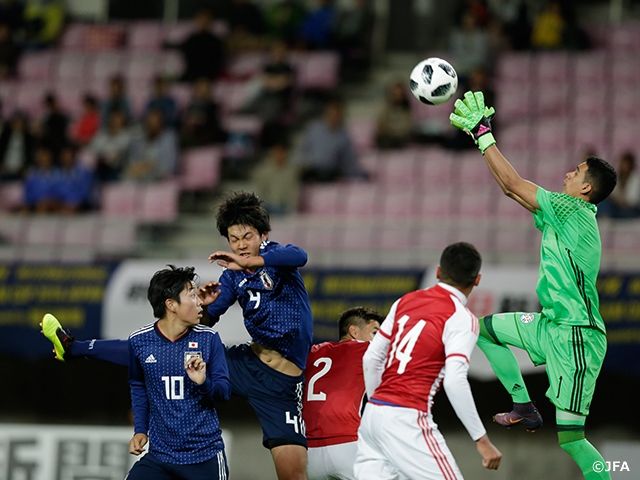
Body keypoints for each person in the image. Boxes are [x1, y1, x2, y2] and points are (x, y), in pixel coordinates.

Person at [41, 192, 313, 480]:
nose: (241, 244)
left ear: (263, 234)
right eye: (234, 239)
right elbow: (206, 320)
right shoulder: (232, 276)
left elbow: (300, 256)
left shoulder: (278, 258)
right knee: (163, 347)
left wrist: (251, 261)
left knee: (292, 474)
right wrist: (205, 305)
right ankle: (74, 347)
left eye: (247, 236)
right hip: (247, 362)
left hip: (281, 384)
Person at [449, 91, 617, 480]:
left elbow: (512, 182)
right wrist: (481, 141)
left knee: (572, 439)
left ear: (587, 188)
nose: (567, 174)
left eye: (576, 172)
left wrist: (482, 134)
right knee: (484, 329)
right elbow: (510, 189)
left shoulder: (573, 210)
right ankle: (523, 404)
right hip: (552, 325)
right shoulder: (564, 214)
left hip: (577, 335)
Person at [43, 265, 232, 479]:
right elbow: (138, 386)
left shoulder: (209, 339)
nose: (200, 301)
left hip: (203, 457)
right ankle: (73, 348)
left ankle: (73, 348)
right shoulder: (140, 341)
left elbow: (224, 392)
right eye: (192, 295)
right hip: (160, 458)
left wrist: (203, 382)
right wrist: (140, 430)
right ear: (171, 304)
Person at [353, 242, 502, 479]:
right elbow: (454, 380)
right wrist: (481, 439)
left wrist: (378, 403)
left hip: (373, 417)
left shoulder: (406, 301)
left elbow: (371, 357)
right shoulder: (461, 318)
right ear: (477, 280)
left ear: (439, 272)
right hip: (407, 416)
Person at [305, 307, 382, 480]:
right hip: (347, 444)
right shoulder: (365, 349)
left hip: (309, 452)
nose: (377, 339)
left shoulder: (312, 353)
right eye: (374, 332)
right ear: (353, 331)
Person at [298, 99, 366, 183]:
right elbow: (302, 151)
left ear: (341, 116)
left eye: (337, 115)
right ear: (325, 113)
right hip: (310, 170)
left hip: (329, 173)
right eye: (331, 114)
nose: (333, 117)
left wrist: (360, 174)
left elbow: (348, 161)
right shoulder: (313, 129)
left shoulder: (343, 136)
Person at [165, 8, 226, 83]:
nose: (203, 22)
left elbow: (218, 63)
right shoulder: (191, 39)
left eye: (206, 20)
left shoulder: (216, 42)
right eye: (200, 19)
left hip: (209, 78)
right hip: (191, 75)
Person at [124, 109, 177, 182]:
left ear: (161, 124)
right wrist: (139, 167)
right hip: (140, 175)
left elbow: (168, 166)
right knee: (126, 177)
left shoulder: (168, 139)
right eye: (150, 122)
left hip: (160, 178)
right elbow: (133, 161)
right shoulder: (140, 140)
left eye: (155, 122)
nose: (152, 125)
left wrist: (149, 166)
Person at [250, 141, 300, 215]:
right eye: (277, 152)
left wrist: (291, 209)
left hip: (283, 208)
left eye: (282, 152)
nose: (280, 155)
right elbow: (259, 191)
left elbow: (293, 193)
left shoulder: (291, 172)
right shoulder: (263, 171)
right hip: (266, 207)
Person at [89, 109, 133, 182]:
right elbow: (93, 148)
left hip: (117, 168)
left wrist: (106, 155)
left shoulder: (127, 136)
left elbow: (117, 154)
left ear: (123, 121)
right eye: (113, 118)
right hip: (99, 167)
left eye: (118, 119)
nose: (115, 121)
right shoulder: (102, 133)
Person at [598, 152, 639, 219]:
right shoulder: (618, 177)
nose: (623, 167)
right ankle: (604, 219)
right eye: (622, 164)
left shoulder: (635, 179)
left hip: (632, 210)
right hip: (618, 207)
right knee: (604, 203)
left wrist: (618, 199)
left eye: (625, 164)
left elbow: (631, 203)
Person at [374, 80, 413, 150]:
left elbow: (407, 128)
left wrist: (396, 131)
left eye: (399, 94)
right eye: (395, 94)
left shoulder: (407, 110)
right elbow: (382, 126)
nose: (397, 96)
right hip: (388, 139)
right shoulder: (384, 109)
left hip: (402, 139)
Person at [0, 111, 34, 180]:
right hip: (5, 169)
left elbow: (30, 154)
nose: (17, 125)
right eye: (15, 122)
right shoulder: (5, 136)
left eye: (20, 123)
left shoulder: (28, 138)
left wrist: (24, 167)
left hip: (21, 170)